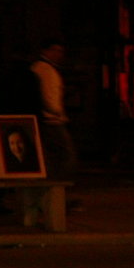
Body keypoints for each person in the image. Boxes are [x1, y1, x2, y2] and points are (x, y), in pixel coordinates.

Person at [31, 42, 78, 193]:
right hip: (52, 120)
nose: (59, 54)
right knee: (66, 155)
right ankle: (56, 188)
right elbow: (48, 97)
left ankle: (51, 188)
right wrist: (57, 112)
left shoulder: (41, 68)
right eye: (56, 50)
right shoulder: (46, 70)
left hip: (49, 118)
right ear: (46, 50)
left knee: (54, 155)